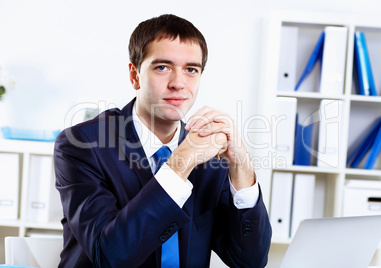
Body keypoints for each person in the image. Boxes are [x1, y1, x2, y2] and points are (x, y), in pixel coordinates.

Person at [54, 14, 271, 267]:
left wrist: (240, 167)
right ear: (135, 75)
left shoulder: (211, 152)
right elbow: (110, 256)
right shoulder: (81, 145)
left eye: (191, 70)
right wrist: (180, 162)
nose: (178, 83)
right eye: (162, 67)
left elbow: (249, 261)